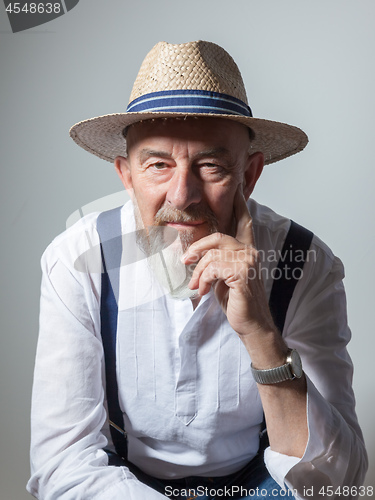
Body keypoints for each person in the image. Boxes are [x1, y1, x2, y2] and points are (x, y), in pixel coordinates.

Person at [27, 41, 368, 500]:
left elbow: (338, 481)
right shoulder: (79, 259)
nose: (182, 195)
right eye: (158, 166)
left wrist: (261, 334)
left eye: (210, 165)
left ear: (249, 175)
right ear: (126, 175)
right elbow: (63, 462)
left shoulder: (305, 264)